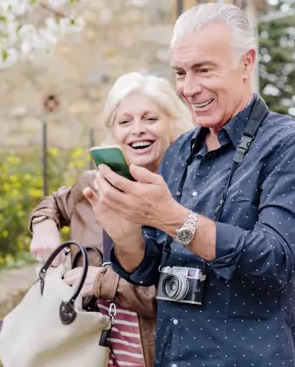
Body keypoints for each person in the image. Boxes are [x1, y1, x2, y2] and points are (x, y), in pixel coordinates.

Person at [83, 3, 295, 366]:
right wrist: (126, 235)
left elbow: (275, 260)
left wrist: (173, 219)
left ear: (247, 63)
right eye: (180, 72)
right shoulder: (179, 150)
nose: (189, 88)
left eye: (203, 70)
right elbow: (151, 268)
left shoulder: (289, 144)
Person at [27, 71, 194, 367]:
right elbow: (54, 203)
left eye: (151, 119)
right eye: (125, 121)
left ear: (173, 124)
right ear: (114, 131)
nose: (137, 130)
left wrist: (105, 283)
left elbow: (191, 293)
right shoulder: (95, 185)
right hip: (88, 353)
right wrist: (43, 225)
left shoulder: (191, 196)